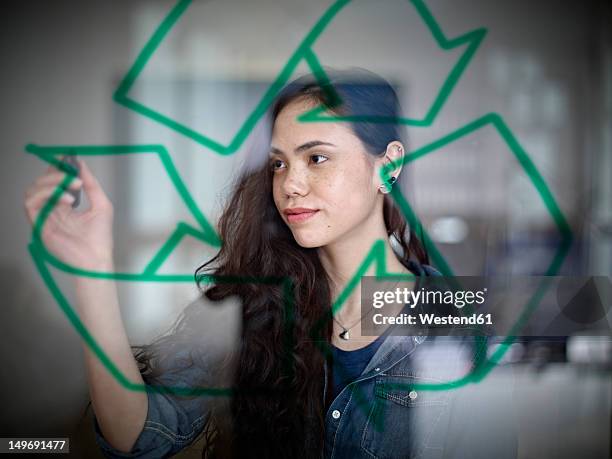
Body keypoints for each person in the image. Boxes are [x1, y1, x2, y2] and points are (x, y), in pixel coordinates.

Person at [24, 69, 517, 458]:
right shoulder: (251, 304)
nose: (290, 185)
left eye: (316, 158)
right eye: (279, 163)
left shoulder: (458, 322)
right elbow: (139, 436)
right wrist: (91, 269)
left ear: (387, 165)